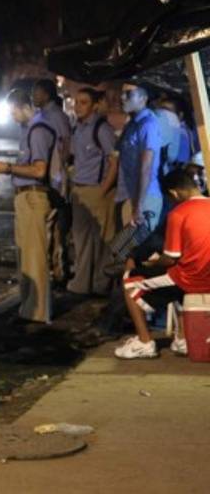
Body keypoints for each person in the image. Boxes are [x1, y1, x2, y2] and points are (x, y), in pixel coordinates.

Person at [114, 169, 210, 359]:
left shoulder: (179, 214)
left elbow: (171, 257)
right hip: (203, 274)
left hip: (192, 278)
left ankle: (144, 342)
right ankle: (183, 337)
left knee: (129, 280)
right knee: (174, 278)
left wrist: (153, 264)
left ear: (174, 193)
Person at [0, 88, 57, 323]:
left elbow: (39, 170)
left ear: (24, 107)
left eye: (13, 111)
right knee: (26, 257)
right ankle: (30, 309)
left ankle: (38, 312)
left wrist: (7, 168)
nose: (11, 116)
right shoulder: (29, 129)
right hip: (26, 197)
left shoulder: (38, 131)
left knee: (34, 258)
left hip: (33, 196)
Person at [68, 87, 118, 296]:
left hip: (97, 191)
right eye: (76, 102)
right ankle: (82, 283)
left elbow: (114, 161)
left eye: (84, 102)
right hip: (79, 190)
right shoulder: (77, 128)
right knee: (81, 239)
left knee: (103, 240)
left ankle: (101, 284)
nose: (78, 107)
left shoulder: (101, 129)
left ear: (95, 105)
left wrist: (103, 189)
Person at [32, 78, 72, 285]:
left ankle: (58, 271)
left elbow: (65, 146)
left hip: (54, 178)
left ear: (46, 94)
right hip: (50, 177)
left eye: (36, 92)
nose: (33, 96)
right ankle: (52, 270)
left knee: (54, 229)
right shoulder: (43, 115)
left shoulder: (56, 116)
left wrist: (60, 171)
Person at [116, 83, 163, 229]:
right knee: (124, 248)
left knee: (134, 249)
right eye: (122, 93)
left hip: (144, 198)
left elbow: (146, 167)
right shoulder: (132, 124)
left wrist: (138, 206)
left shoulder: (148, 124)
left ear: (143, 98)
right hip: (130, 196)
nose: (122, 97)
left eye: (129, 94)